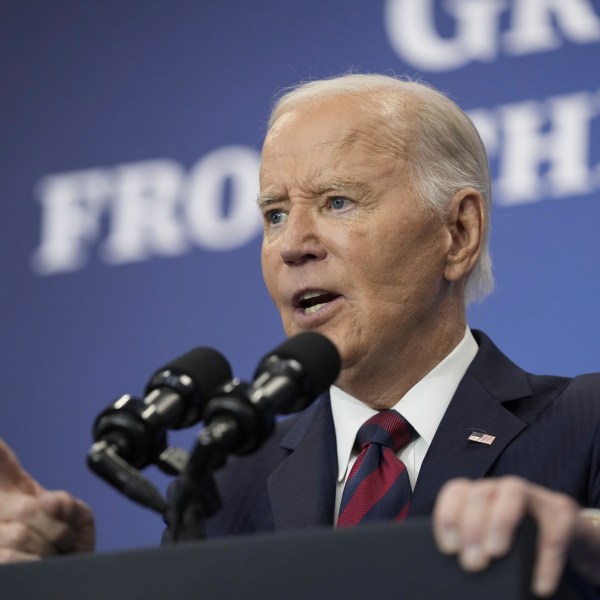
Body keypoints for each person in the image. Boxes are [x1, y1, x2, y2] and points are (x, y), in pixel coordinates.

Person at [1, 74, 599, 597]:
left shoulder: (585, 424)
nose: (292, 245)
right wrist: (61, 584)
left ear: (458, 232)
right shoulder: (227, 482)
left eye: (338, 202)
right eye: (275, 214)